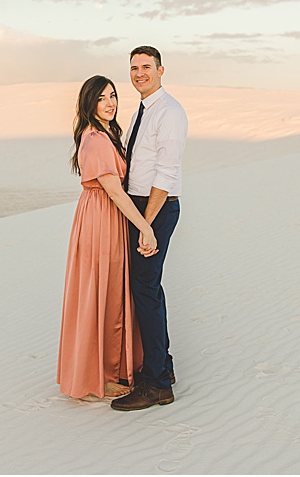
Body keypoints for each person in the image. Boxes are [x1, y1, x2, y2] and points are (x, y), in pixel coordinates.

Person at [57, 75, 158, 400]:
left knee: (111, 291)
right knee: (104, 292)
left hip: (105, 217)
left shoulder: (107, 133)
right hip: (102, 219)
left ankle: (110, 368)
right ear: (90, 103)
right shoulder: (97, 139)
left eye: (113, 95)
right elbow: (113, 191)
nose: (110, 103)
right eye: (102, 98)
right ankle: (100, 375)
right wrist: (145, 225)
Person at [111, 45, 189, 411]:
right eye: (134, 67)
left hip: (154, 208)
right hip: (140, 207)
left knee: (144, 291)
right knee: (148, 290)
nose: (139, 73)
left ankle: (156, 384)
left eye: (146, 67)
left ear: (161, 70)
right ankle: (163, 367)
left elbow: (166, 173)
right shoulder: (141, 111)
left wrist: (146, 224)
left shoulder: (169, 113)